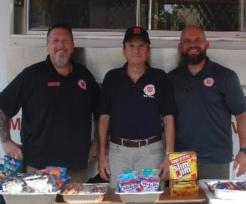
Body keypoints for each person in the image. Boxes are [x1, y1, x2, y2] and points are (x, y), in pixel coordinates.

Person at [0, 23, 101, 182]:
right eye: (55, 40)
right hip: (39, 168)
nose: (60, 45)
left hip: (75, 167)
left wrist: (96, 143)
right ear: (48, 46)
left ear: (73, 45)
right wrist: (5, 141)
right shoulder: (32, 76)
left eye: (65, 40)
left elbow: (101, 111)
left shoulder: (84, 76)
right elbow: (2, 107)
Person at [98, 26, 177, 188]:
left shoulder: (159, 77)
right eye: (131, 46)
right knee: (119, 199)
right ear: (124, 50)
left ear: (148, 50)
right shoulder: (112, 78)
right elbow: (104, 117)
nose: (136, 50)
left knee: (148, 199)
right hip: (118, 152)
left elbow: (169, 118)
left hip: (151, 151)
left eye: (141, 46)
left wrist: (169, 156)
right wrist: (101, 153)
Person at [168, 25, 246, 179]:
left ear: (206, 44)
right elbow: (166, 120)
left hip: (216, 159)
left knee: (213, 201)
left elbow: (242, 116)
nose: (193, 44)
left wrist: (244, 151)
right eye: (187, 41)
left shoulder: (226, 76)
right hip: (181, 159)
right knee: (183, 202)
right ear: (180, 47)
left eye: (197, 40)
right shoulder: (171, 79)